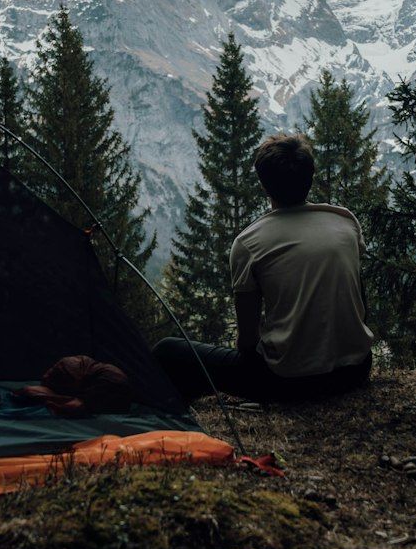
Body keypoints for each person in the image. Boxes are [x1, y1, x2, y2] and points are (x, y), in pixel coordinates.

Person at [153, 132, 374, 404]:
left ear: (263, 185)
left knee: (167, 350)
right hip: (356, 370)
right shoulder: (344, 221)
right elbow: (360, 302)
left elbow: (247, 340)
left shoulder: (249, 243)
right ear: (311, 176)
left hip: (288, 381)